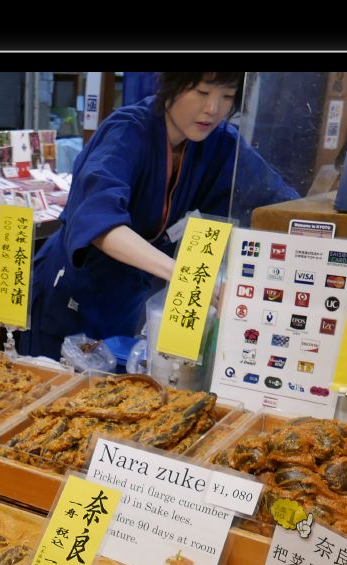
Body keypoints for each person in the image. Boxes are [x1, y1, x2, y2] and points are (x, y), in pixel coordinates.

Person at [20, 72, 300, 363]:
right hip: (72, 292)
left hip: (128, 300)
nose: (213, 109)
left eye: (227, 96)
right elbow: (98, 223)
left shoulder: (222, 145)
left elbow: (282, 207)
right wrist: (182, 274)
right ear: (170, 86)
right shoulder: (127, 131)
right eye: (202, 92)